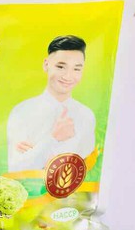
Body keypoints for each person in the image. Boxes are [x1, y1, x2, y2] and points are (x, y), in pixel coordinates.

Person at [7, 35, 96, 172]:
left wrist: (36, 153)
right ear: (46, 64)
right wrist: (53, 138)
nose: (68, 76)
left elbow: (85, 166)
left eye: (76, 69)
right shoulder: (22, 112)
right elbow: (17, 168)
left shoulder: (86, 115)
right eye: (61, 67)